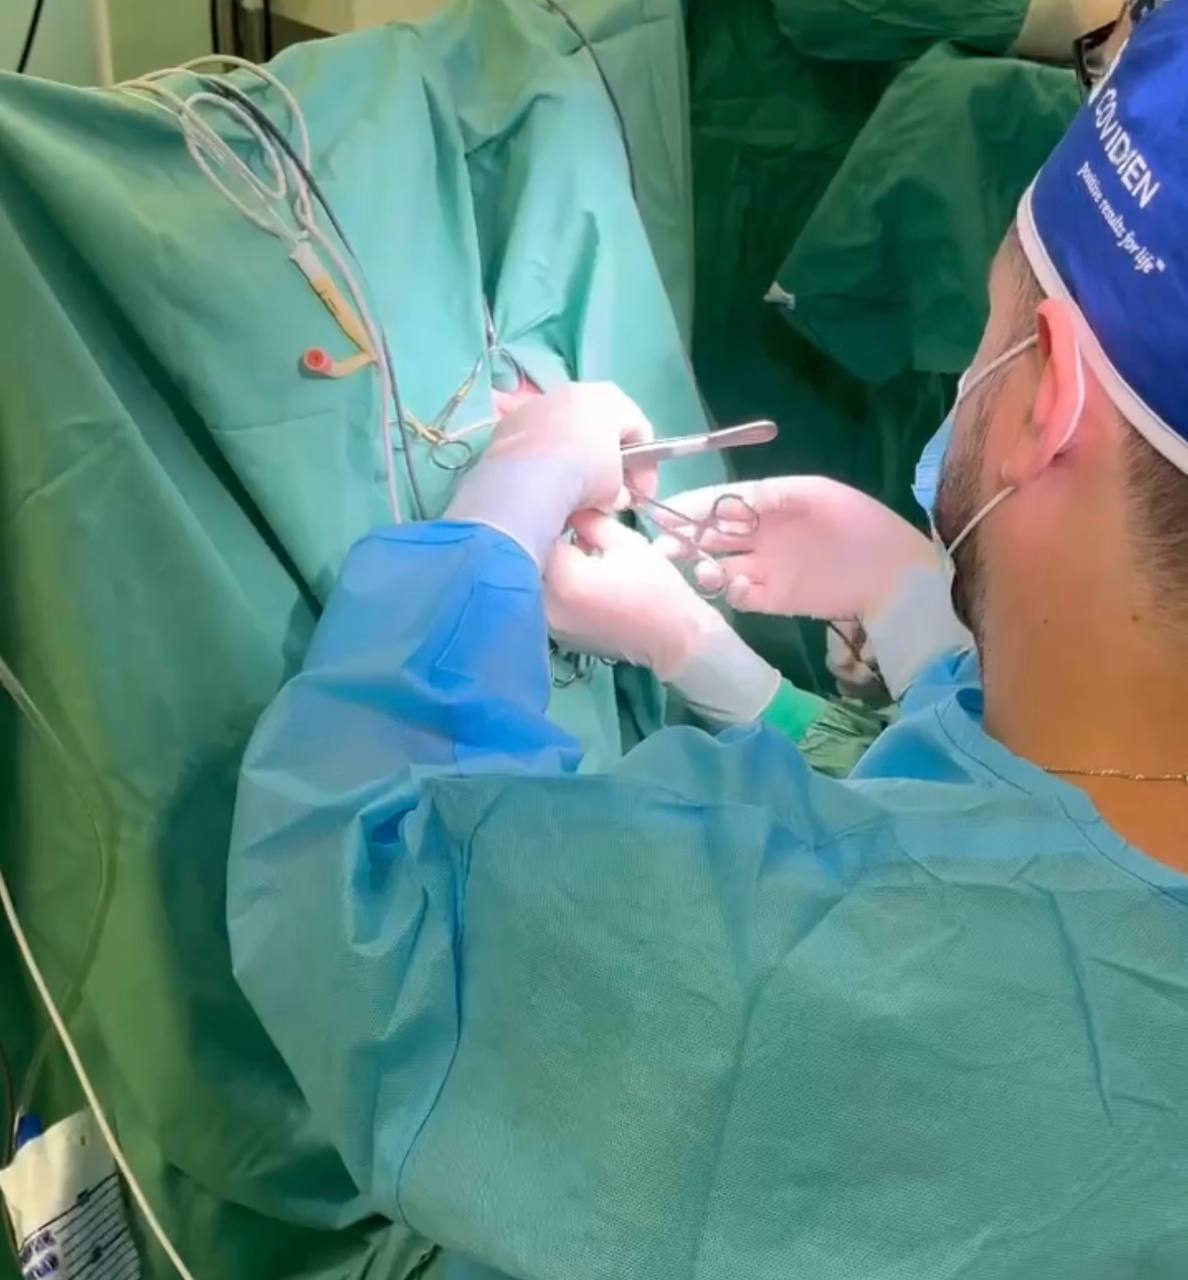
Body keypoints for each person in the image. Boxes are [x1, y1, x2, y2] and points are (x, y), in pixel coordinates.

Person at [227, 7, 1188, 1278]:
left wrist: (503, 508)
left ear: (1043, 398)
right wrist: (910, 609)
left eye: (989, 327)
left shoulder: (790, 965)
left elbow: (362, 912)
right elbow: (1059, 814)